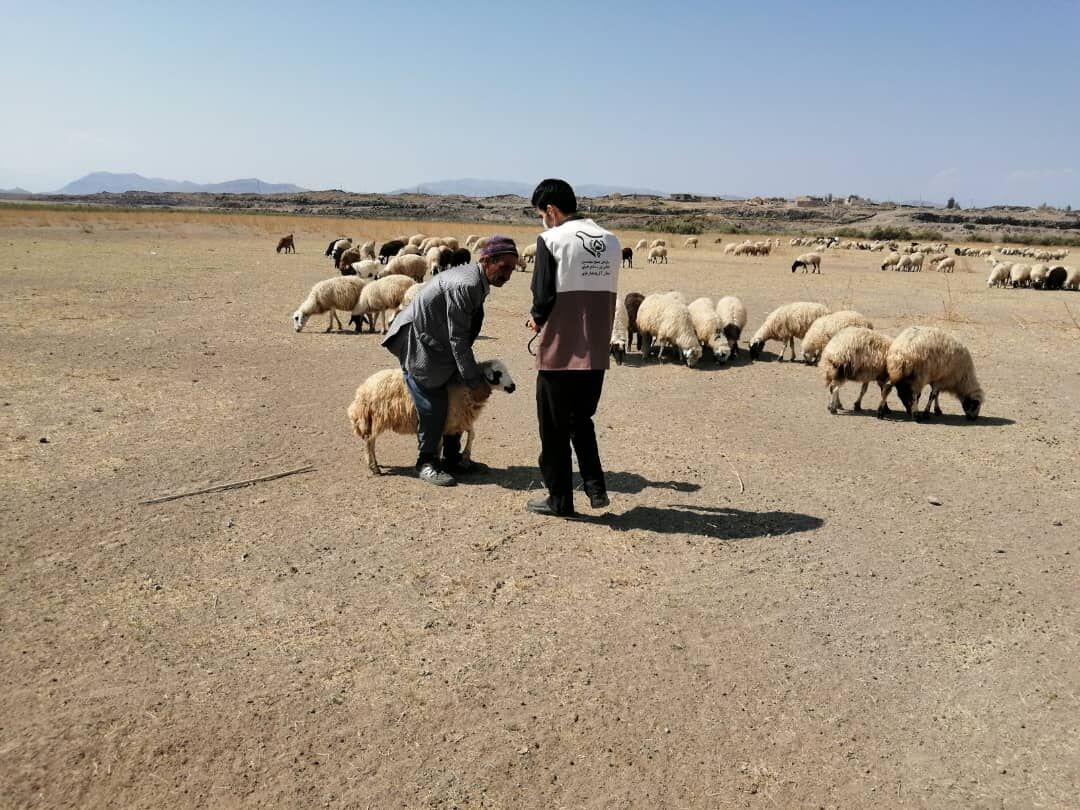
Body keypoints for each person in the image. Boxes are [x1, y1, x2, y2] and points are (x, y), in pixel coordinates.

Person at [382, 236, 520, 486]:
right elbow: (458, 339)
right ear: (487, 261)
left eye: (512, 269)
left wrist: (467, 377)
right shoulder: (466, 285)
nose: (508, 275)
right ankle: (426, 462)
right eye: (504, 268)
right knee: (432, 398)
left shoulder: (477, 280)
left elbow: (458, 336)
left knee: (455, 393)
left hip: (437, 340)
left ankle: (453, 458)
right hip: (418, 340)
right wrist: (475, 381)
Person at [526, 179, 620, 517]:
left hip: (560, 351)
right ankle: (595, 489)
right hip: (595, 349)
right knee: (581, 420)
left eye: (541, 214)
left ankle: (560, 500)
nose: (542, 220)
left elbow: (543, 296)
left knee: (553, 429)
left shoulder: (551, 240)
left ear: (551, 211)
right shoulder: (611, 241)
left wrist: (536, 319)